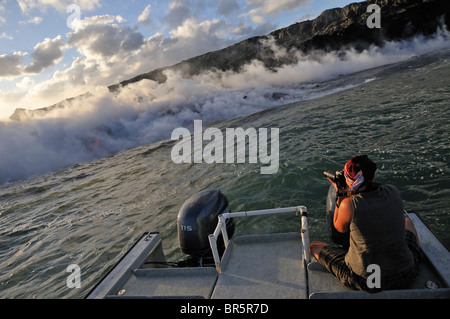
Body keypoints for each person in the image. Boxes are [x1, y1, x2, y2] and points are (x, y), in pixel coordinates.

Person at [310, 155, 422, 292]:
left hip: (369, 281)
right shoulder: (393, 190)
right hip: (406, 275)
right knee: (407, 223)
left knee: (315, 246)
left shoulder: (349, 204)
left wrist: (340, 194)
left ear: (350, 179)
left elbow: (339, 228)